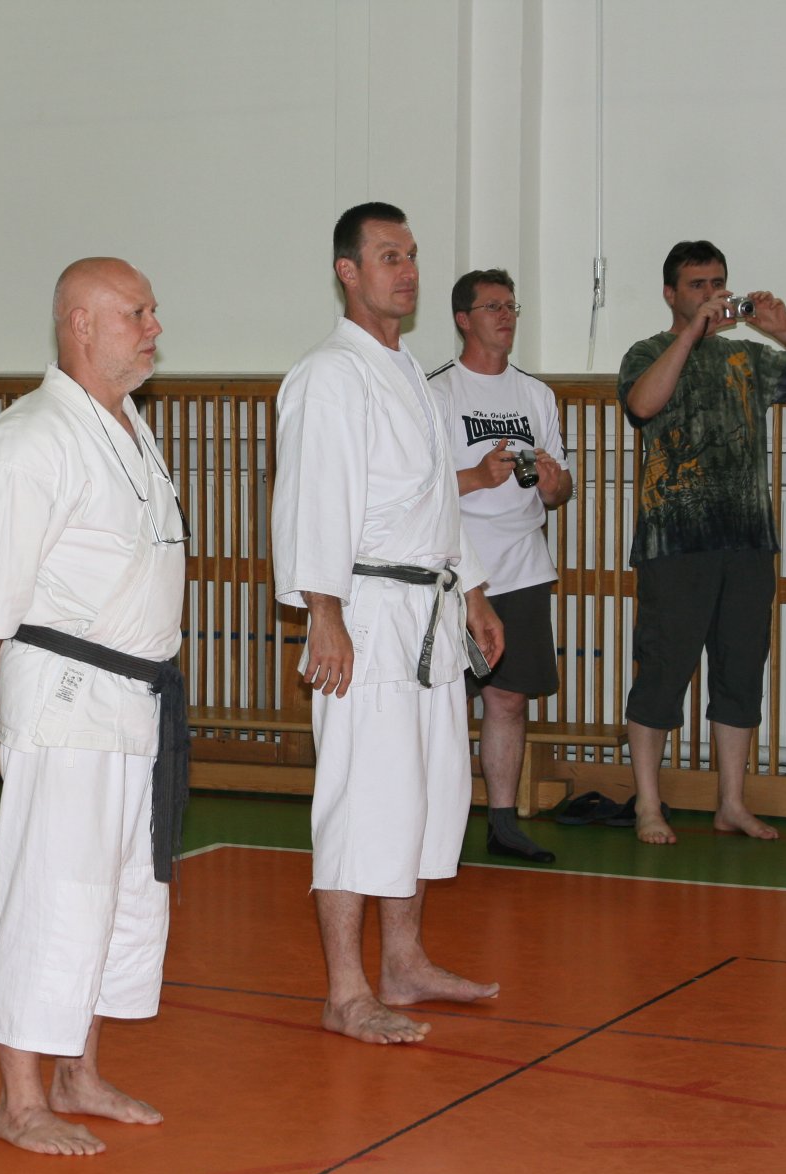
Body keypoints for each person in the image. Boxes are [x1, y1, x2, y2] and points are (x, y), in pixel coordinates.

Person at [0, 257, 187, 1155]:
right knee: (51, 892)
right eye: (136, 313)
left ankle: (79, 1075)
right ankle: (21, 1099)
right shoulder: (30, 439)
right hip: (71, 701)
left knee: (116, 898)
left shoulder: (126, 427)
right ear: (80, 324)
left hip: (134, 702)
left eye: (153, 312)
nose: (154, 328)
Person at [271, 203, 504, 1046]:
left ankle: (403, 962)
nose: (406, 272)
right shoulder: (330, 375)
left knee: (424, 795)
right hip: (365, 614)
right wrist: (323, 614)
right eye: (387, 257)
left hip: (428, 610)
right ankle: (345, 991)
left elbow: (434, 497)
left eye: (410, 256)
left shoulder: (406, 371)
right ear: (348, 271)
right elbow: (312, 500)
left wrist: (472, 590)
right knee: (360, 799)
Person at [617, 240, 786, 846]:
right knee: (663, 673)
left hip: (747, 541)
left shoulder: (747, 356)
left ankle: (731, 804)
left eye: (718, 283)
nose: (711, 294)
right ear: (671, 293)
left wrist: (784, 330)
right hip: (675, 544)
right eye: (697, 285)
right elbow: (643, 404)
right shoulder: (647, 352)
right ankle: (648, 807)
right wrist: (691, 334)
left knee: (741, 673)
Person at [428, 269, 574, 863]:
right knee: (445, 703)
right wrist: (476, 476)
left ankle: (504, 822)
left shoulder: (536, 395)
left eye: (511, 306)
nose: (506, 315)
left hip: (523, 566)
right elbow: (414, 490)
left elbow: (561, 490)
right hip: (457, 570)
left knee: (510, 699)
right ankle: (437, 821)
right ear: (463, 319)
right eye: (492, 306)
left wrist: (554, 484)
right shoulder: (437, 392)